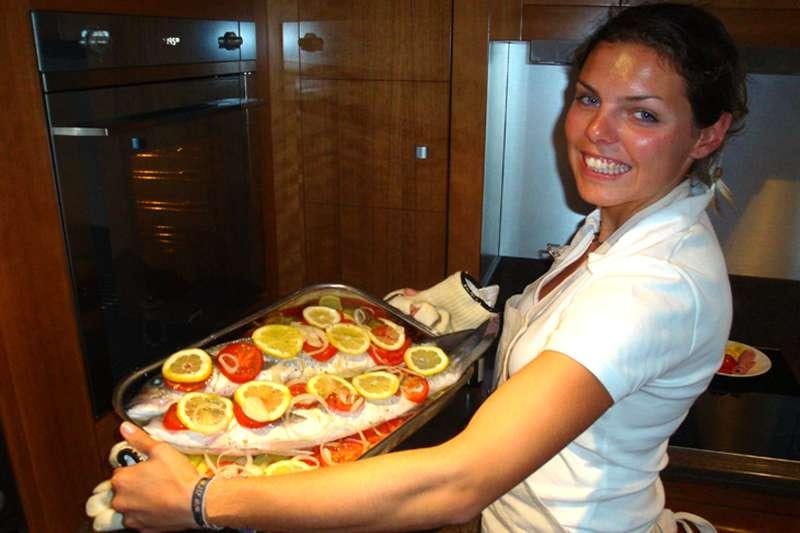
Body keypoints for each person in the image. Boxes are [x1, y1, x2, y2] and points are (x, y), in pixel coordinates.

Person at [109, 3, 748, 531]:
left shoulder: (654, 286)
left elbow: (456, 483)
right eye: (588, 99)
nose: (595, 134)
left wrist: (202, 501)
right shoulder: (625, 222)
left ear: (707, 134)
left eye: (643, 114)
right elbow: (570, 338)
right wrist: (465, 318)